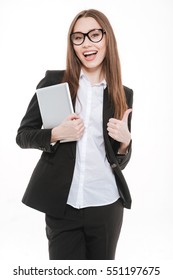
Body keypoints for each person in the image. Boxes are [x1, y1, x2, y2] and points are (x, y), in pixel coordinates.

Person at [16, 9, 133, 260]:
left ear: (107, 38)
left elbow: (119, 159)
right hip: (62, 206)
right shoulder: (54, 83)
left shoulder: (123, 94)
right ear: (72, 44)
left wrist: (125, 142)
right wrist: (55, 133)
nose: (86, 43)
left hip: (106, 205)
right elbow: (23, 135)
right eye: (78, 37)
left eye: (94, 35)